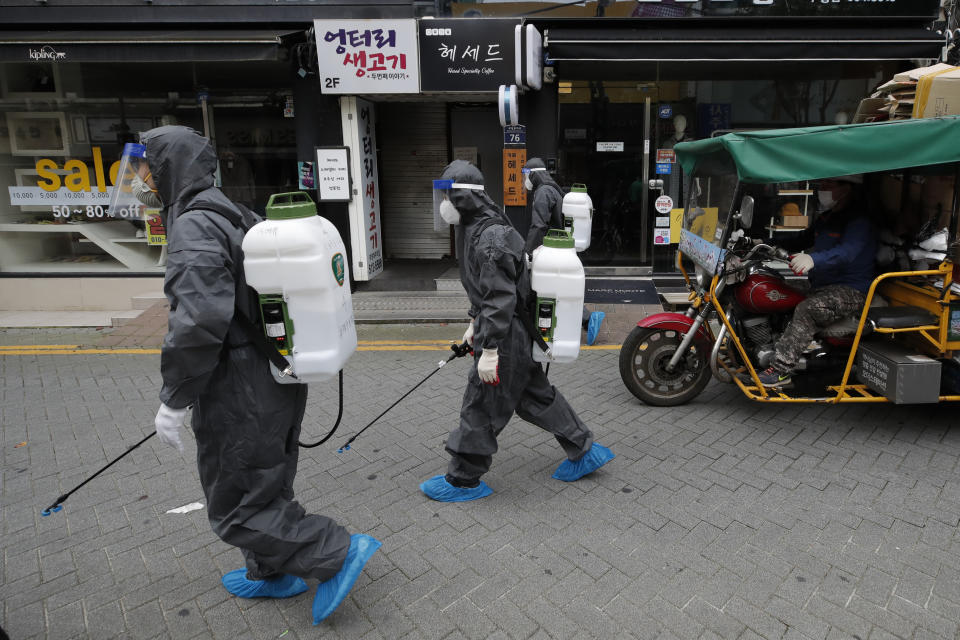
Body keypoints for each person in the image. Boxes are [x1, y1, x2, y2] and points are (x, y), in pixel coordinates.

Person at [143, 125, 379, 624]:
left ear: (169, 169)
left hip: (238, 387)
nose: (143, 176)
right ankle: (269, 572)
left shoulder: (192, 225)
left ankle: (333, 550)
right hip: (275, 372)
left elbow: (200, 318)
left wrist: (175, 396)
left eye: (147, 165)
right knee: (265, 480)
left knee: (235, 505)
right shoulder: (232, 211)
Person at [420, 160, 614, 502]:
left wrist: (490, 349)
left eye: (448, 196)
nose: (443, 205)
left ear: (465, 197)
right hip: (512, 333)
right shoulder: (474, 227)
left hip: (506, 337)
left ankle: (464, 479)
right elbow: (485, 291)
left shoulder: (489, 236)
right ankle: (585, 449)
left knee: (481, 403)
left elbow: (499, 298)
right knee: (534, 396)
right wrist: (472, 323)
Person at [758, 174, 877, 387]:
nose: (822, 188)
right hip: (821, 284)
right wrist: (763, 243)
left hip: (850, 290)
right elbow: (801, 239)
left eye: (828, 183)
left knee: (807, 308)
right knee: (773, 288)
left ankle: (781, 370)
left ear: (847, 188)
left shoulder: (859, 221)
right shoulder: (827, 218)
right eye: (821, 183)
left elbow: (846, 253)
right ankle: (768, 345)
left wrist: (813, 258)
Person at [522, 157, 606, 346]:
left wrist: (527, 252)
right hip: (560, 247)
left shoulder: (543, 192)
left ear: (533, 174)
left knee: (552, 288)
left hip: (552, 249)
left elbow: (539, 225)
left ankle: (587, 318)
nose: (524, 180)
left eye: (525, 175)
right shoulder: (552, 187)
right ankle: (583, 319)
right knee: (558, 287)